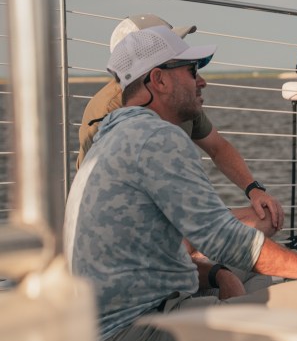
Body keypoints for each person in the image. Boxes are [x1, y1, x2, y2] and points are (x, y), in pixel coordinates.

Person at [64, 26, 297, 341]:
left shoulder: (114, 134)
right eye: (192, 70)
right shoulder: (155, 138)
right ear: (158, 80)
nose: (202, 81)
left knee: (255, 274)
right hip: (134, 334)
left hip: (108, 328)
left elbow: (174, 258)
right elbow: (224, 240)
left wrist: (218, 274)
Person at [77, 13, 283, 237]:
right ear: (155, 74)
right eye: (189, 67)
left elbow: (217, 147)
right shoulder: (109, 111)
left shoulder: (177, 100)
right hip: (133, 226)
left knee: (265, 218)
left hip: (175, 216)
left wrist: (254, 190)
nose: (201, 81)